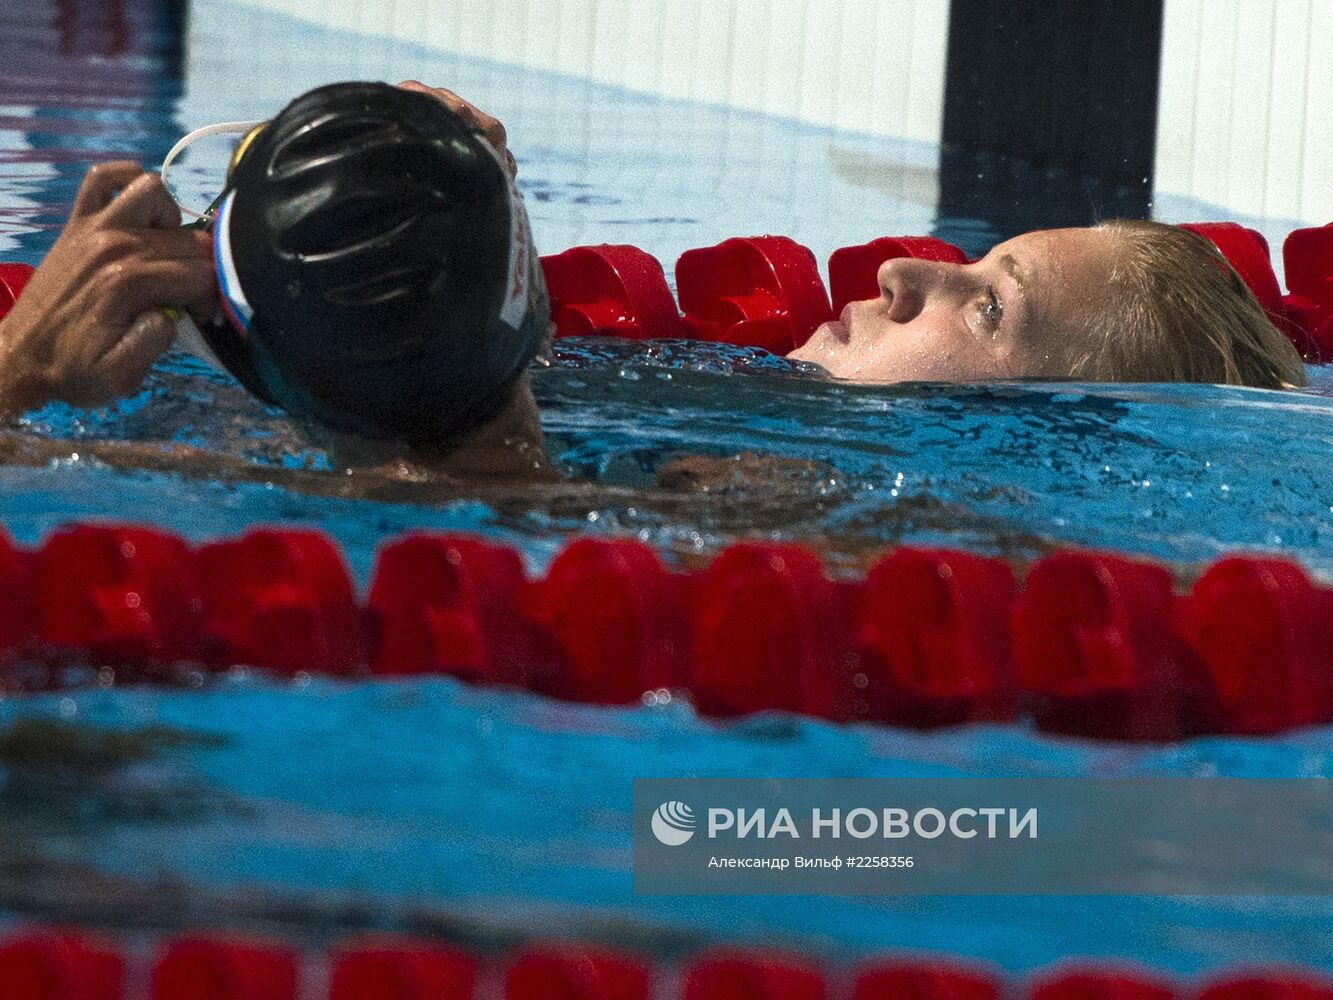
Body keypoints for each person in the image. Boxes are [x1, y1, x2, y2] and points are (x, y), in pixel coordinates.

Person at [0, 79, 1309, 495]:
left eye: (985, 305)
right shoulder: (698, 404)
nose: (908, 264)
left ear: (1042, 438)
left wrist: (27, 377)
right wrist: (444, 218)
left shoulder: (782, 501)